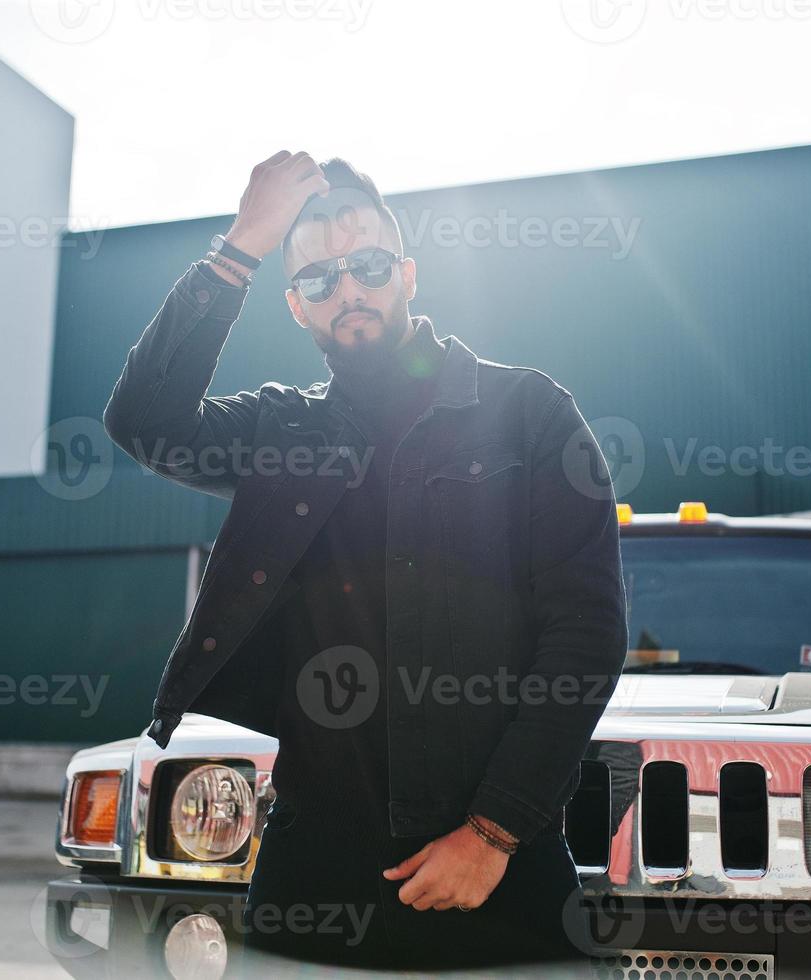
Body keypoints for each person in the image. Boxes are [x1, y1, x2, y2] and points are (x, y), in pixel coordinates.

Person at [102, 151, 626, 972]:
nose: (347, 291)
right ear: (297, 307)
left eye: (368, 267)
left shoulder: (528, 414)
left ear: (407, 275)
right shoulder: (282, 432)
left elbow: (586, 632)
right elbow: (142, 419)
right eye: (318, 280)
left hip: (498, 872)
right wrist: (245, 239)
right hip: (315, 865)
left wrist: (493, 832)